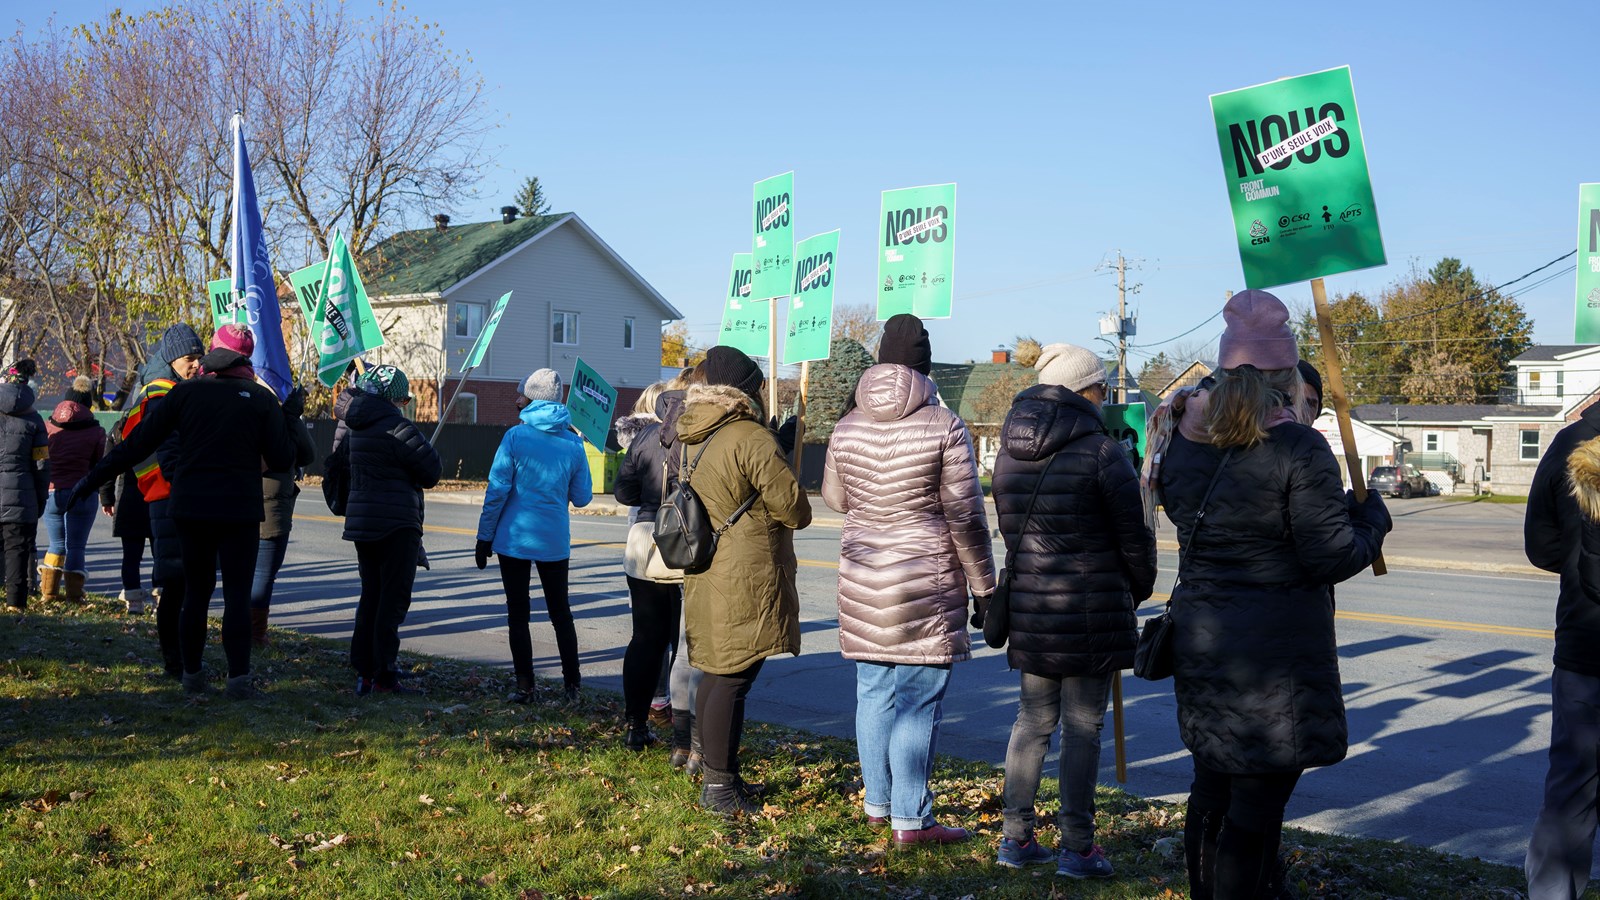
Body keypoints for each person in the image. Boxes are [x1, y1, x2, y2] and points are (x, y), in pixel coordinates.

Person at [1158, 290, 1389, 899]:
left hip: (1204, 638)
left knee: (1212, 789)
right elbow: (1330, 554)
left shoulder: (1182, 435)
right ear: (1286, 375)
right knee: (1256, 810)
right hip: (1274, 654)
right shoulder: (1297, 447)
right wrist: (1370, 523)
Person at [822, 313, 995, 846]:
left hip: (864, 574)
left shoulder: (847, 425)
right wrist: (985, 587)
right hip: (926, 581)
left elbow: (835, 498)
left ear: (878, 359)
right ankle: (911, 819)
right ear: (924, 363)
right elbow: (965, 515)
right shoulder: (944, 425)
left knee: (873, 693)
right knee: (918, 700)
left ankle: (878, 803)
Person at [988, 342, 1158, 876]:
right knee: (1083, 728)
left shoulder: (1008, 451)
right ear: (1086, 390)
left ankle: (1015, 838)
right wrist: (1138, 586)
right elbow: (1135, 540)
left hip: (1033, 608)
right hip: (1091, 609)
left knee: (1032, 722)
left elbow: (1009, 529)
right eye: (1102, 386)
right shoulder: (1102, 453)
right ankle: (1077, 846)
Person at [72, 325, 293, 699]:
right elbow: (284, 459)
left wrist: (89, 483)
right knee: (238, 595)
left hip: (191, 507)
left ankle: (192, 675)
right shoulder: (259, 399)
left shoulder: (184, 394)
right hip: (239, 508)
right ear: (246, 359)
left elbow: (135, 445)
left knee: (196, 593)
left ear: (210, 356)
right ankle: (238, 680)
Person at [676, 346, 811, 814]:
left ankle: (719, 776)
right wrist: (781, 450)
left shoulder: (694, 431)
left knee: (719, 671)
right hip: (744, 572)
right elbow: (794, 509)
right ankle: (719, 788)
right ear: (746, 388)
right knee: (734, 677)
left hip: (707, 564)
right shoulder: (749, 436)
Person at [474, 369, 591, 703]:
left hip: (514, 539)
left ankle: (525, 686)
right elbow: (582, 497)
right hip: (554, 541)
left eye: (521, 394)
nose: (516, 399)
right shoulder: (573, 442)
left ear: (533, 398)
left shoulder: (514, 437)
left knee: (517, 615)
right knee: (561, 614)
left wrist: (484, 538)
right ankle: (573, 687)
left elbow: (497, 491)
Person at [1524, 396, 1600, 899]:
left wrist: (1577, 564)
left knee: (1572, 791)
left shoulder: (1570, 443)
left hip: (1585, 643)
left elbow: (1541, 545)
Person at [338, 365, 441, 696]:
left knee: (370, 596)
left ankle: (364, 672)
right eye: (402, 399)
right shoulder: (396, 426)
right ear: (393, 398)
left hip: (363, 523)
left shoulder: (351, 426)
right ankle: (384, 674)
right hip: (397, 525)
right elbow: (431, 471)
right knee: (392, 601)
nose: (404, 404)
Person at [106, 325, 203, 671]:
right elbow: (167, 454)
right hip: (170, 500)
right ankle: (176, 663)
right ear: (171, 359)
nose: (196, 365)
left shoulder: (160, 390)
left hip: (164, 498)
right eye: (190, 359)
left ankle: (178, 661)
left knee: (178, 586)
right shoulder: (160, 396)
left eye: (199, 358)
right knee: (178, 587)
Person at [615, 377, 688, 749]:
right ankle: (683, 736)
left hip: (645, 534)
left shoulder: (645, 437)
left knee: (644, 637)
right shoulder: (700, 433)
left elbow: (622, 490)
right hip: (688, 539)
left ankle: (635, 725)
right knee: (685, 643)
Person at [252, 386, 316, 646]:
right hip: (266, 508)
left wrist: (289, 418)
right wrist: (287, 417)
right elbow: (286, 455)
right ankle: (254, 635)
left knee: (255, 574)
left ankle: (250, 632)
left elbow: (306, 454)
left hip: (270, 506)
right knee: (260, 575)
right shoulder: (258, 417)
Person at [40, 395, 104, 603]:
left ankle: (48, 593)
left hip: (53, 491)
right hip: (82, 492)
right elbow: (99, 463)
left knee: (56, 544)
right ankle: (74, 596)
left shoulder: (48, 427)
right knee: (76, 546)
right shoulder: (96, 432)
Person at [0, 374, 48, 612]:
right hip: (21, 496)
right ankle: (15, 604)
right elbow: (41, 464)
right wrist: (41, 498)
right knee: (17, 550)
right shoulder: (35, 420)